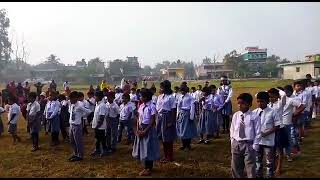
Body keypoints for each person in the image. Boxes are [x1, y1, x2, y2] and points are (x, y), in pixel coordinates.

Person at [229, 93, 261, 178]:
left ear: (250, 104)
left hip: (248, 145)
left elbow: (258, 132)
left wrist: (255, 146)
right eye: (238, 103)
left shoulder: (254, 116)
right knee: (235, 167)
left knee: (250, 167)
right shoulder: (236, 115)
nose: (240, 105)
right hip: (236, 144)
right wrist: (232, 141)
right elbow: (232, 129)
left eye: (243, 103)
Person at [132, 88, 160, 176]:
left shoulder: (152, 106)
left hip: (148, 129)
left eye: (141, 96)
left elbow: (152, 121)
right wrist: (137, 129)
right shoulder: (141, 106)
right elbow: (138, 118)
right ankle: (146, 167)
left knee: (148, 149)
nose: (140, 98)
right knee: (143, 148)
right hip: (141, 128)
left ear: (146, 97)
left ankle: (148, 168)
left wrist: (145, 131)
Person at [253, 92, 281, 178]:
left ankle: (269, 176)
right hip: (258, 141)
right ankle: (258, 176)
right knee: (258, 161)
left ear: (267, 101)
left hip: (268, 141)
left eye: (262, 101)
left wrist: (266, 133)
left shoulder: (272, 112)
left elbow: (277, 126)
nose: (259, 103)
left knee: (269, 162)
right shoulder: (255, 112)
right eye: (258, 101)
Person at [268, 88, 287, 176]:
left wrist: (278, 89)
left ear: (277, 96)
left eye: (272, 97)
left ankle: (279, 167)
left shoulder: (280, 104)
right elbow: (257, 95)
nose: (270, 98)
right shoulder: (268, 105)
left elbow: (283, 95)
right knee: (272, 149)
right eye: (269, 97)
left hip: (280, 129)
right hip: (271, 130)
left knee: (279, 150)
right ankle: (274, 166)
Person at [282, 85, 305, 162]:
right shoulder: (280, 100)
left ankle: (291, 153)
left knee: (290, 138)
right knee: (281, 139)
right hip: (279, 123)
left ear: (290, 92)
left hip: (289, 122)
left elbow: (302, 106)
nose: (284, 93)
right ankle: (282, 154)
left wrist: (295, 114)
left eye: (286, 92)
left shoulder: (292, 99)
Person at [156, 80, 176, 163]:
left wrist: (171, 121)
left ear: (166, 88)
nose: (161, 88)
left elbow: (173, 109)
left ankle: (170, 156)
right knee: (163, 138)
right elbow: (157, 107)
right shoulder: (160, 96)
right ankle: (165, 155)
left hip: (167, 117)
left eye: (162, 87)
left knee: (168, 138)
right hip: (160, 117)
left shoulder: (171, 97)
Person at [68, 91, 92, 162]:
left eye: (71, 99)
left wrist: (83, 116)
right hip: (71, 125)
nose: (70, 100)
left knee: (78, 141)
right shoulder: (72, 104)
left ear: (75, 98)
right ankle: (75, 153)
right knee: (72, 140)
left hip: (77, 125)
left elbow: (89, 111)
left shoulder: (80, 105)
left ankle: (80, 155)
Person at [176, 85, 197, 151]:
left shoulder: (190, 97)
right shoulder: (180, 97)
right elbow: (178, 106)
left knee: (187, 130)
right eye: (181, 90)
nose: (182, 92)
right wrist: (177, 114)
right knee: (181, 129)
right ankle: (183, 144)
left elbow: (192, 107)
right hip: (181, 114)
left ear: (186, 90)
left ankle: (188, 145)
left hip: (187, 114)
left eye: (183, 90)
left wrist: (191, 117)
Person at [90, 91, 108, 158]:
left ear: (100, 97)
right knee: (97, 138)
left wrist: (98, 125)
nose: (94, 97)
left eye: (95, 96)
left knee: (102, 139)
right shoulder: (97, 104)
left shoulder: (102, 105)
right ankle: (97, 150)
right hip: (97, 125)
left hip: (101, 126)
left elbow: (102, 117)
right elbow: (96, 115)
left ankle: (104, 150)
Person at [292, 80, 308, 148]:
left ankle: (298, 139)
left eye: (300, 86)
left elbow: (304, 105)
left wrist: (297, 112)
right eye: (297, 86)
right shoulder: (292, 94)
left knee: (298, 126)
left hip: (300, 113)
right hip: (293, 114)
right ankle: (296, 140)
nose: (299, 87)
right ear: (294, 87)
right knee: (294, 128)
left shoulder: (304, 94)